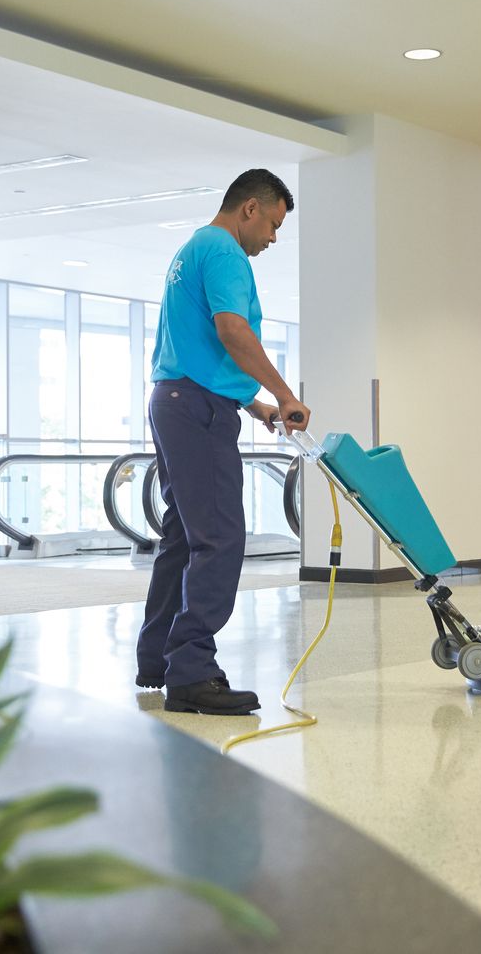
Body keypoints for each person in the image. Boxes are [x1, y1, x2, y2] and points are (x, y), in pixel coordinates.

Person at [136, 169, 312, 716]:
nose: (273, 240)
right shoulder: (227, 252)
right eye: (274, 225)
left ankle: (158, 662)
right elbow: (233, 331)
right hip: (196, 411)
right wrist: (284, 394)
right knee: (220, 538)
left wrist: (251, 402)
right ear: (250, 209)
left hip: (173, 399)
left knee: (186, 536)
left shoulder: (192, 248)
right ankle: (192, 671)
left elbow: (195, 349)